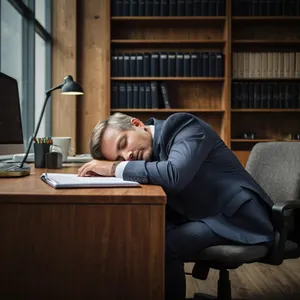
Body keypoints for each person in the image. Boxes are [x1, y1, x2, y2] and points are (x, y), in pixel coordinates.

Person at [78, 112, 274, 300]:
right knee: (139, 234)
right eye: (118, 158)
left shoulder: (184, 127)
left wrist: (114, 168)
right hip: (203, 214)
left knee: (162, 244)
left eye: (123, 144)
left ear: (137, 124)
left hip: (239, 216)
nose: (126, 156)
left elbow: (174, 175)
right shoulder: (146, 153)